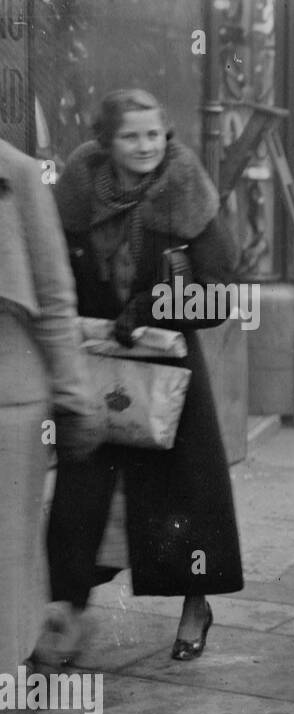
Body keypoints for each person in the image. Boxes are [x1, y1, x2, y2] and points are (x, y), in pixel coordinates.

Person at [46, 88, 243, 661]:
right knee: (82, 495)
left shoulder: (188, 198)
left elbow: (219, 296)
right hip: (98, 369)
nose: (144, 146)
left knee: (185, 498)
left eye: (154, 134)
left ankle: (195, 603)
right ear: (105, 142)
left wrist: (152, 308)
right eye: (130, 136)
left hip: (169, 376)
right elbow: (57, 278)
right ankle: (66, 614)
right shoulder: (76, 200)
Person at [0, 136, 101, 675]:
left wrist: (72, 396)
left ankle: (10, 662)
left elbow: (56, 299)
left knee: (7, 548)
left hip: (10, 400)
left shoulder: (16, 176)